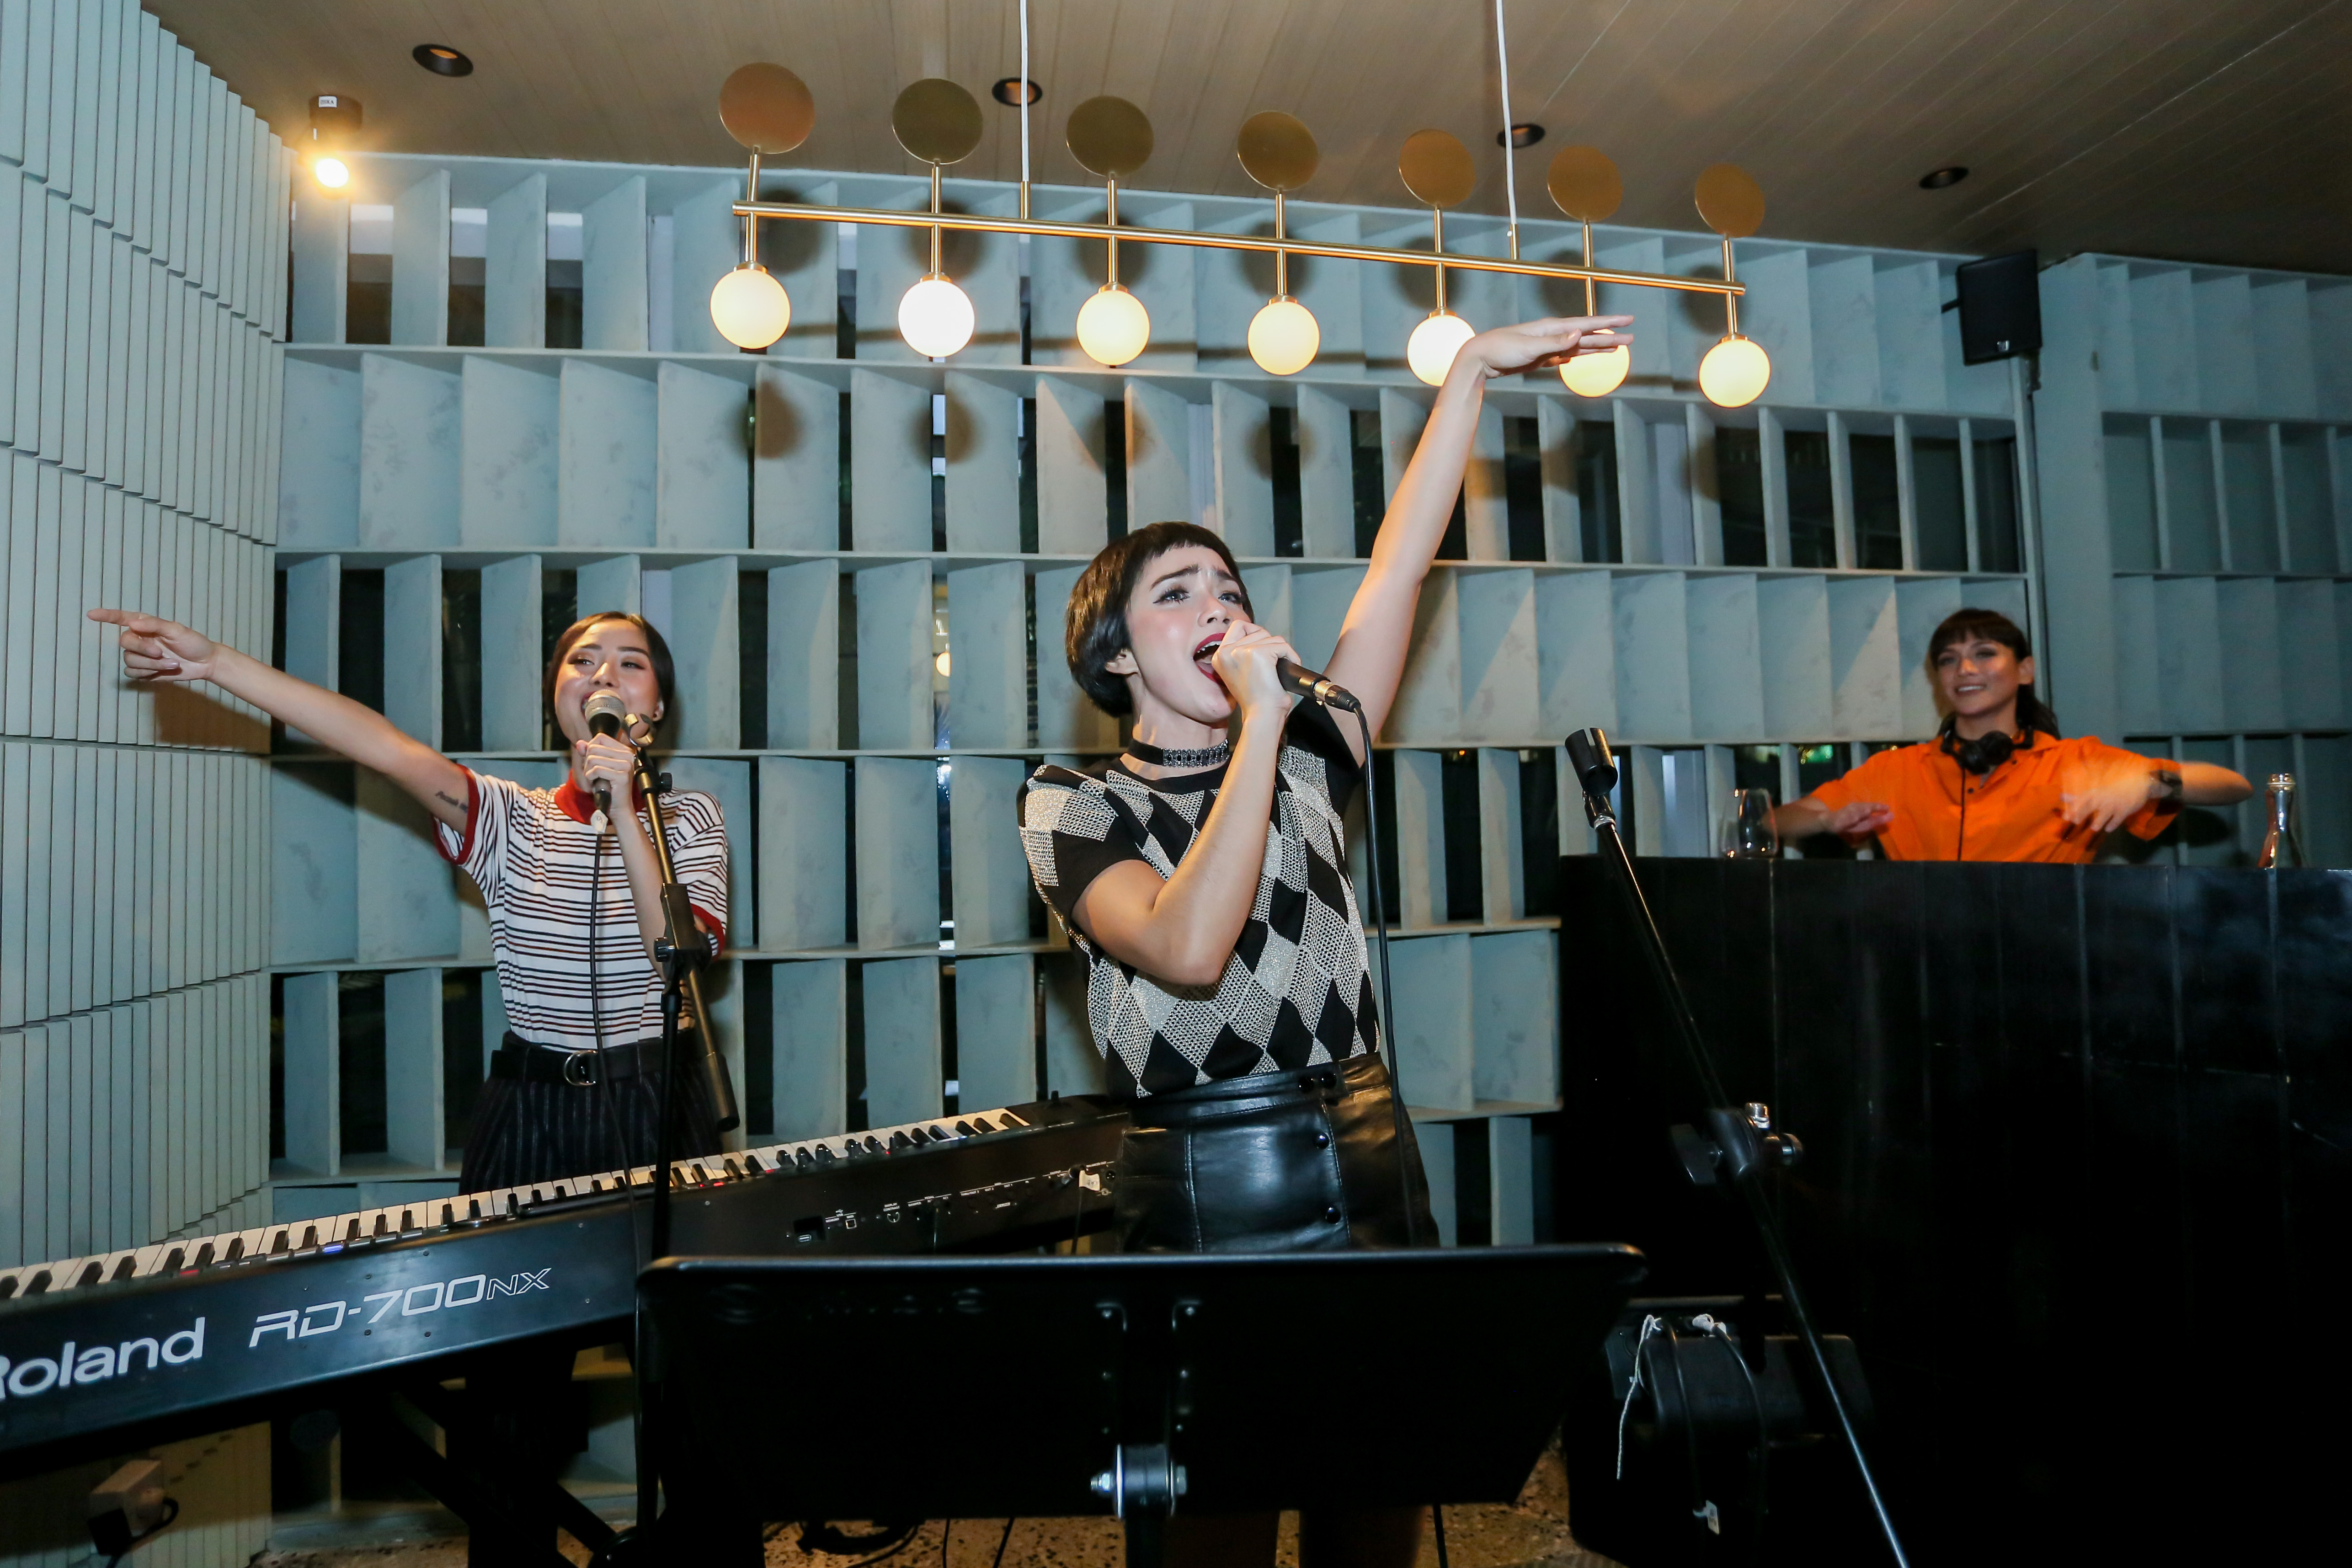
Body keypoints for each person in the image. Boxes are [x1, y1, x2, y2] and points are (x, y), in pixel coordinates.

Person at [1018, 312, 1632, 1568]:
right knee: (1216, 1519)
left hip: (1366, 1150)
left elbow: (1399, 569)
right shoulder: (1075, 803)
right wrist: (1258, 723)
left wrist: (1470, 373)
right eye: (1177, 593)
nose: (1219, 606)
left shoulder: (1306, 750)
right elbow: (1188, 948)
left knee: (1374, 1501)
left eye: (1230, 591)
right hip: (1209, 1178)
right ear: (1114, 653)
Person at [87, 605, 730, 1193]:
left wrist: (625, 812)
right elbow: (384, 747)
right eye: (582, 660)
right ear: (555, 696)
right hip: (532, 1104)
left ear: (658, 706)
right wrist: (217, 664)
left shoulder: (691, 819)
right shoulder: (509, 817)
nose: (603, 674)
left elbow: (675, 962)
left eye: (630, 664)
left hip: (657, 1096)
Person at [1773, 607, 2251, 861]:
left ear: (2025, 671)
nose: (1964, 669)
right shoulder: (1896, 769)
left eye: (1984, 653)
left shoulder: (2074, 761)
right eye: (1948, 660)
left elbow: (2233, 785)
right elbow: (1775, 821)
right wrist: (1826, 821)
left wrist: (2150, 783)